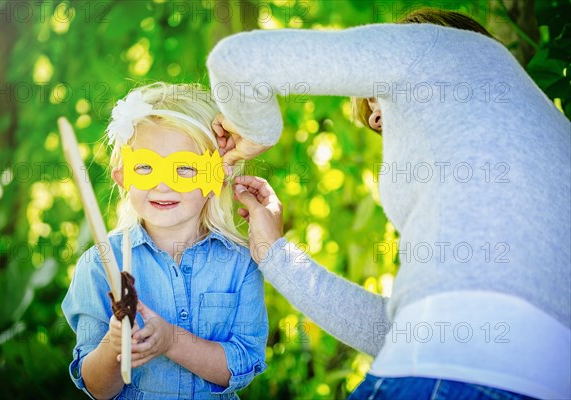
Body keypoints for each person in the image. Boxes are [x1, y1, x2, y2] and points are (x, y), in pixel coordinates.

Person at [206, 8, 570, 400]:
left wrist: (256, 133)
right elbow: (408, 334)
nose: (376, 117)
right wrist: (275, 255)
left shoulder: (433, 46)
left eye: (375, 103)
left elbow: (236, 61)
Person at [62, 83, 268, 399]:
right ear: (123, 177)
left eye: (184, 168)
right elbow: (96, 388)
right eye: (145, 167)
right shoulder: (100, 264)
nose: (161, 184)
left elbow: (245, 363)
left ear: (216, 178)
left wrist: (172, 341)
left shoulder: (240, 263)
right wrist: (114, 345)